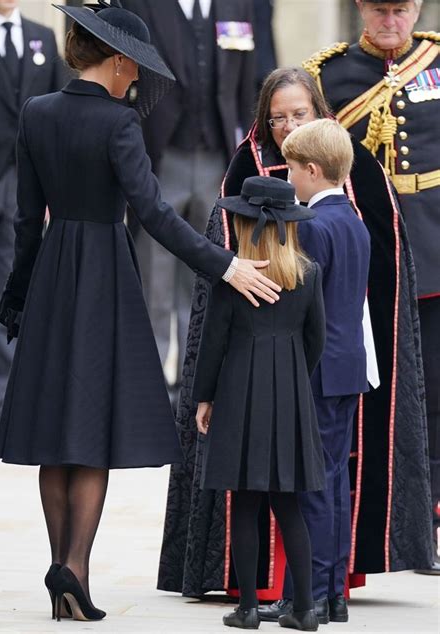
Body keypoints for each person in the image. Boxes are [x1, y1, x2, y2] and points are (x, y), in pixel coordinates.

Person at [0, 3, 281, 622]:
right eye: (136, 69)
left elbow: (25, 221)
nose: (138, 81)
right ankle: (76, 567)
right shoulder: (119, 124)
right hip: (102, 277)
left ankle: (61, 568)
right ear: (118, 59)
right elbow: (154, 215)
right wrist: (225, 264)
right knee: (91, 427)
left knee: (53, 432)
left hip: (50, 279)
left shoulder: (36, 113)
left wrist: (16, 295)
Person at [157, 67, 431, 604]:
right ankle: (296, 589)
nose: (285, 126)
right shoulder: (248, 166)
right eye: (277, 117)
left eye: (297, 115)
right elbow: (226, 269)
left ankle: (315, 591)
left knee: (314, 480)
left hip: (311, 362)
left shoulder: (347, 176)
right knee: (309, 477)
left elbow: (376, 268)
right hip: (289, 361)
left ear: (319, 115)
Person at [302, 0, 439, 575]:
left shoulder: (436, 60)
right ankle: (365, 522)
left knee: (435, 389)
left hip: (435, 244)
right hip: (368, 249)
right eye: (381, 9)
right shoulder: (326, 76)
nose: (392, 20)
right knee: (369, 391)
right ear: (362, 8)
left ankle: (427, 523)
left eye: (401, 9)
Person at [194, 175, 325, 631]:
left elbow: (213, 344)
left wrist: (204, 398)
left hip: (239, 392)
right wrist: (291, 379)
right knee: (289, 505)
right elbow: (317, 341)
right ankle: (305, 608)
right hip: (290, 396)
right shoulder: (307, 274)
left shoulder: (235, 277)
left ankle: (248, 608)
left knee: (246, 503)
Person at [120, 0, 256, 405]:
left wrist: (244, 153)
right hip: (161, 153)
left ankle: (193, 376)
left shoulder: (238, 5)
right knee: (155, 273)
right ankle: (148, 377)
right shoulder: (144, 5)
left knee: (204, 272)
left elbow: (246, 79)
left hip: (218, 154)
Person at [277, 119, 370, 624]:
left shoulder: (311, 225)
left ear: (311, 170)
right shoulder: (353, 220)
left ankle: (306, 597)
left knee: (309, 484)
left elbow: (301, 306)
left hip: (314, 370)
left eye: (291, 168)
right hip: (348, 366)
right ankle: (331, 593)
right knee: (333, 483)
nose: (288, 178)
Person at [0, 0, 66, 431]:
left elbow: (58, 114)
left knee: (15, 290)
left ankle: (8, 400)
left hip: (28, 189)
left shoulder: (43, 38)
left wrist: (52, 185)